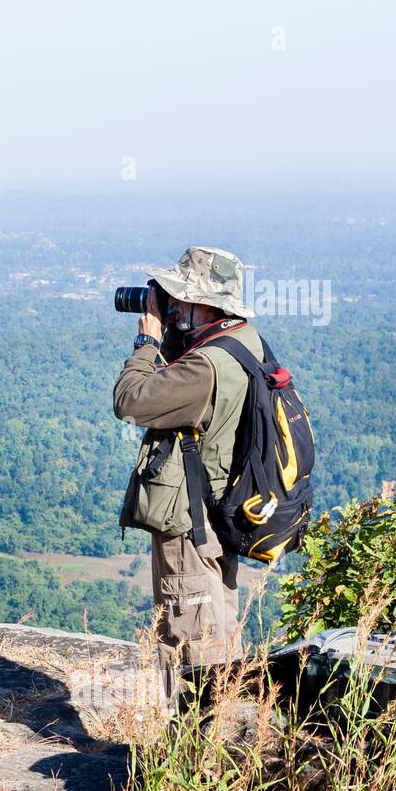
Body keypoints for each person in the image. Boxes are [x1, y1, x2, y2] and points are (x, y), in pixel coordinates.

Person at [112, 246, 264, 699]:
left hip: (188, 524)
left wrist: (148, 342)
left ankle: (193, 757)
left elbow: (131, 400)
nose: (170, 303)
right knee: (217, 632)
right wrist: (181, 331)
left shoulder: (205, 366)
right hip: (221, 516)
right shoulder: (242, 342)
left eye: (179, 297)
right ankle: (213, 749)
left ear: (203, 303)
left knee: (188, 642)